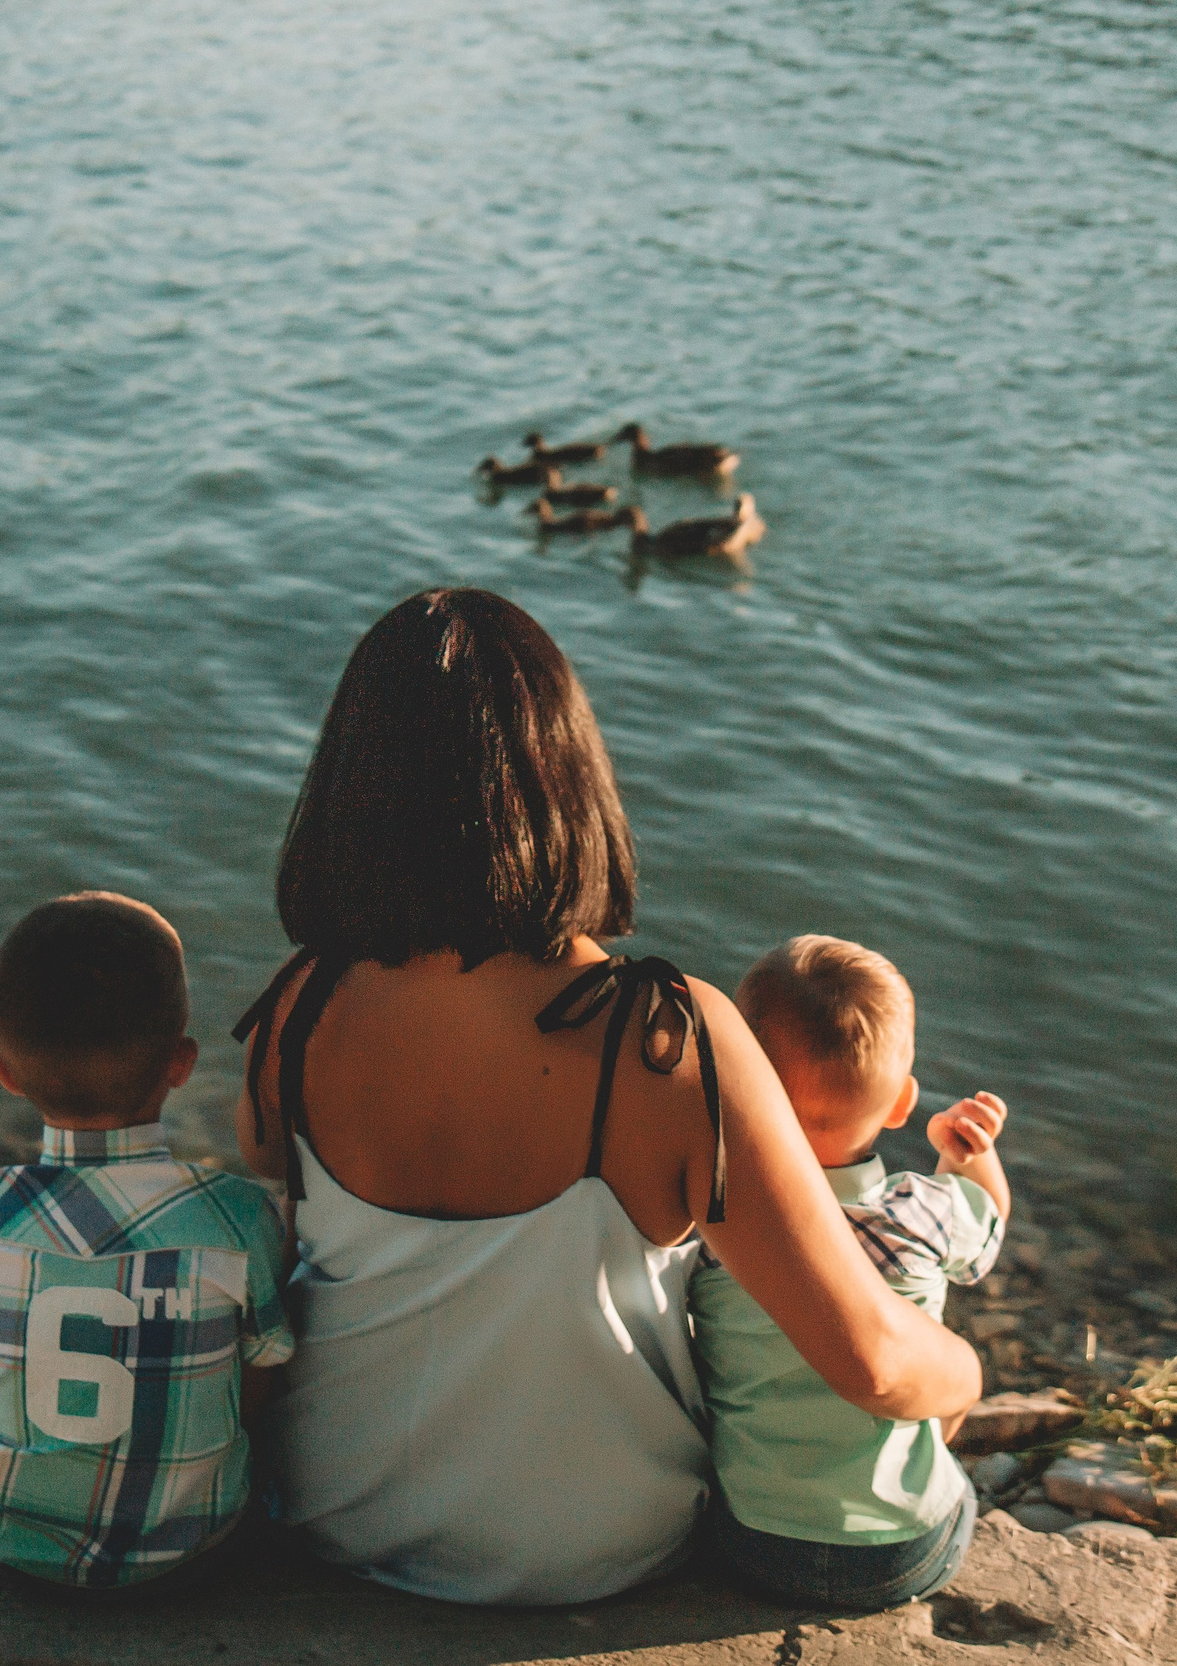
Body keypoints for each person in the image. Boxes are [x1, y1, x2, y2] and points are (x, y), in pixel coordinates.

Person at [231, 589, 983, 1606]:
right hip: (595, 1550)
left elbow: (270, 1278)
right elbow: (869, 1360)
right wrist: (966, 1374)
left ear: (350, 790)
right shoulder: (670, 1037)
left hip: (331, 1511)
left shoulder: (295, 1012)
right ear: (568, 777)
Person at [0, 892, 295, 1597]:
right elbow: (261, 1380)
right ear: (182, 1061)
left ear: (4, 1072)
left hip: (5, 1531)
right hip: (195, 1536)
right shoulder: (239, 1215)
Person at [691, 934, 1010, 1609]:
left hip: (750, 1537)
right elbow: (988, 1224)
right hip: (903, 1552)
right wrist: (966, 1155)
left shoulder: (716, 1225)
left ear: (739, 1081)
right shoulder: (923, 1211)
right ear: (901, 1103)